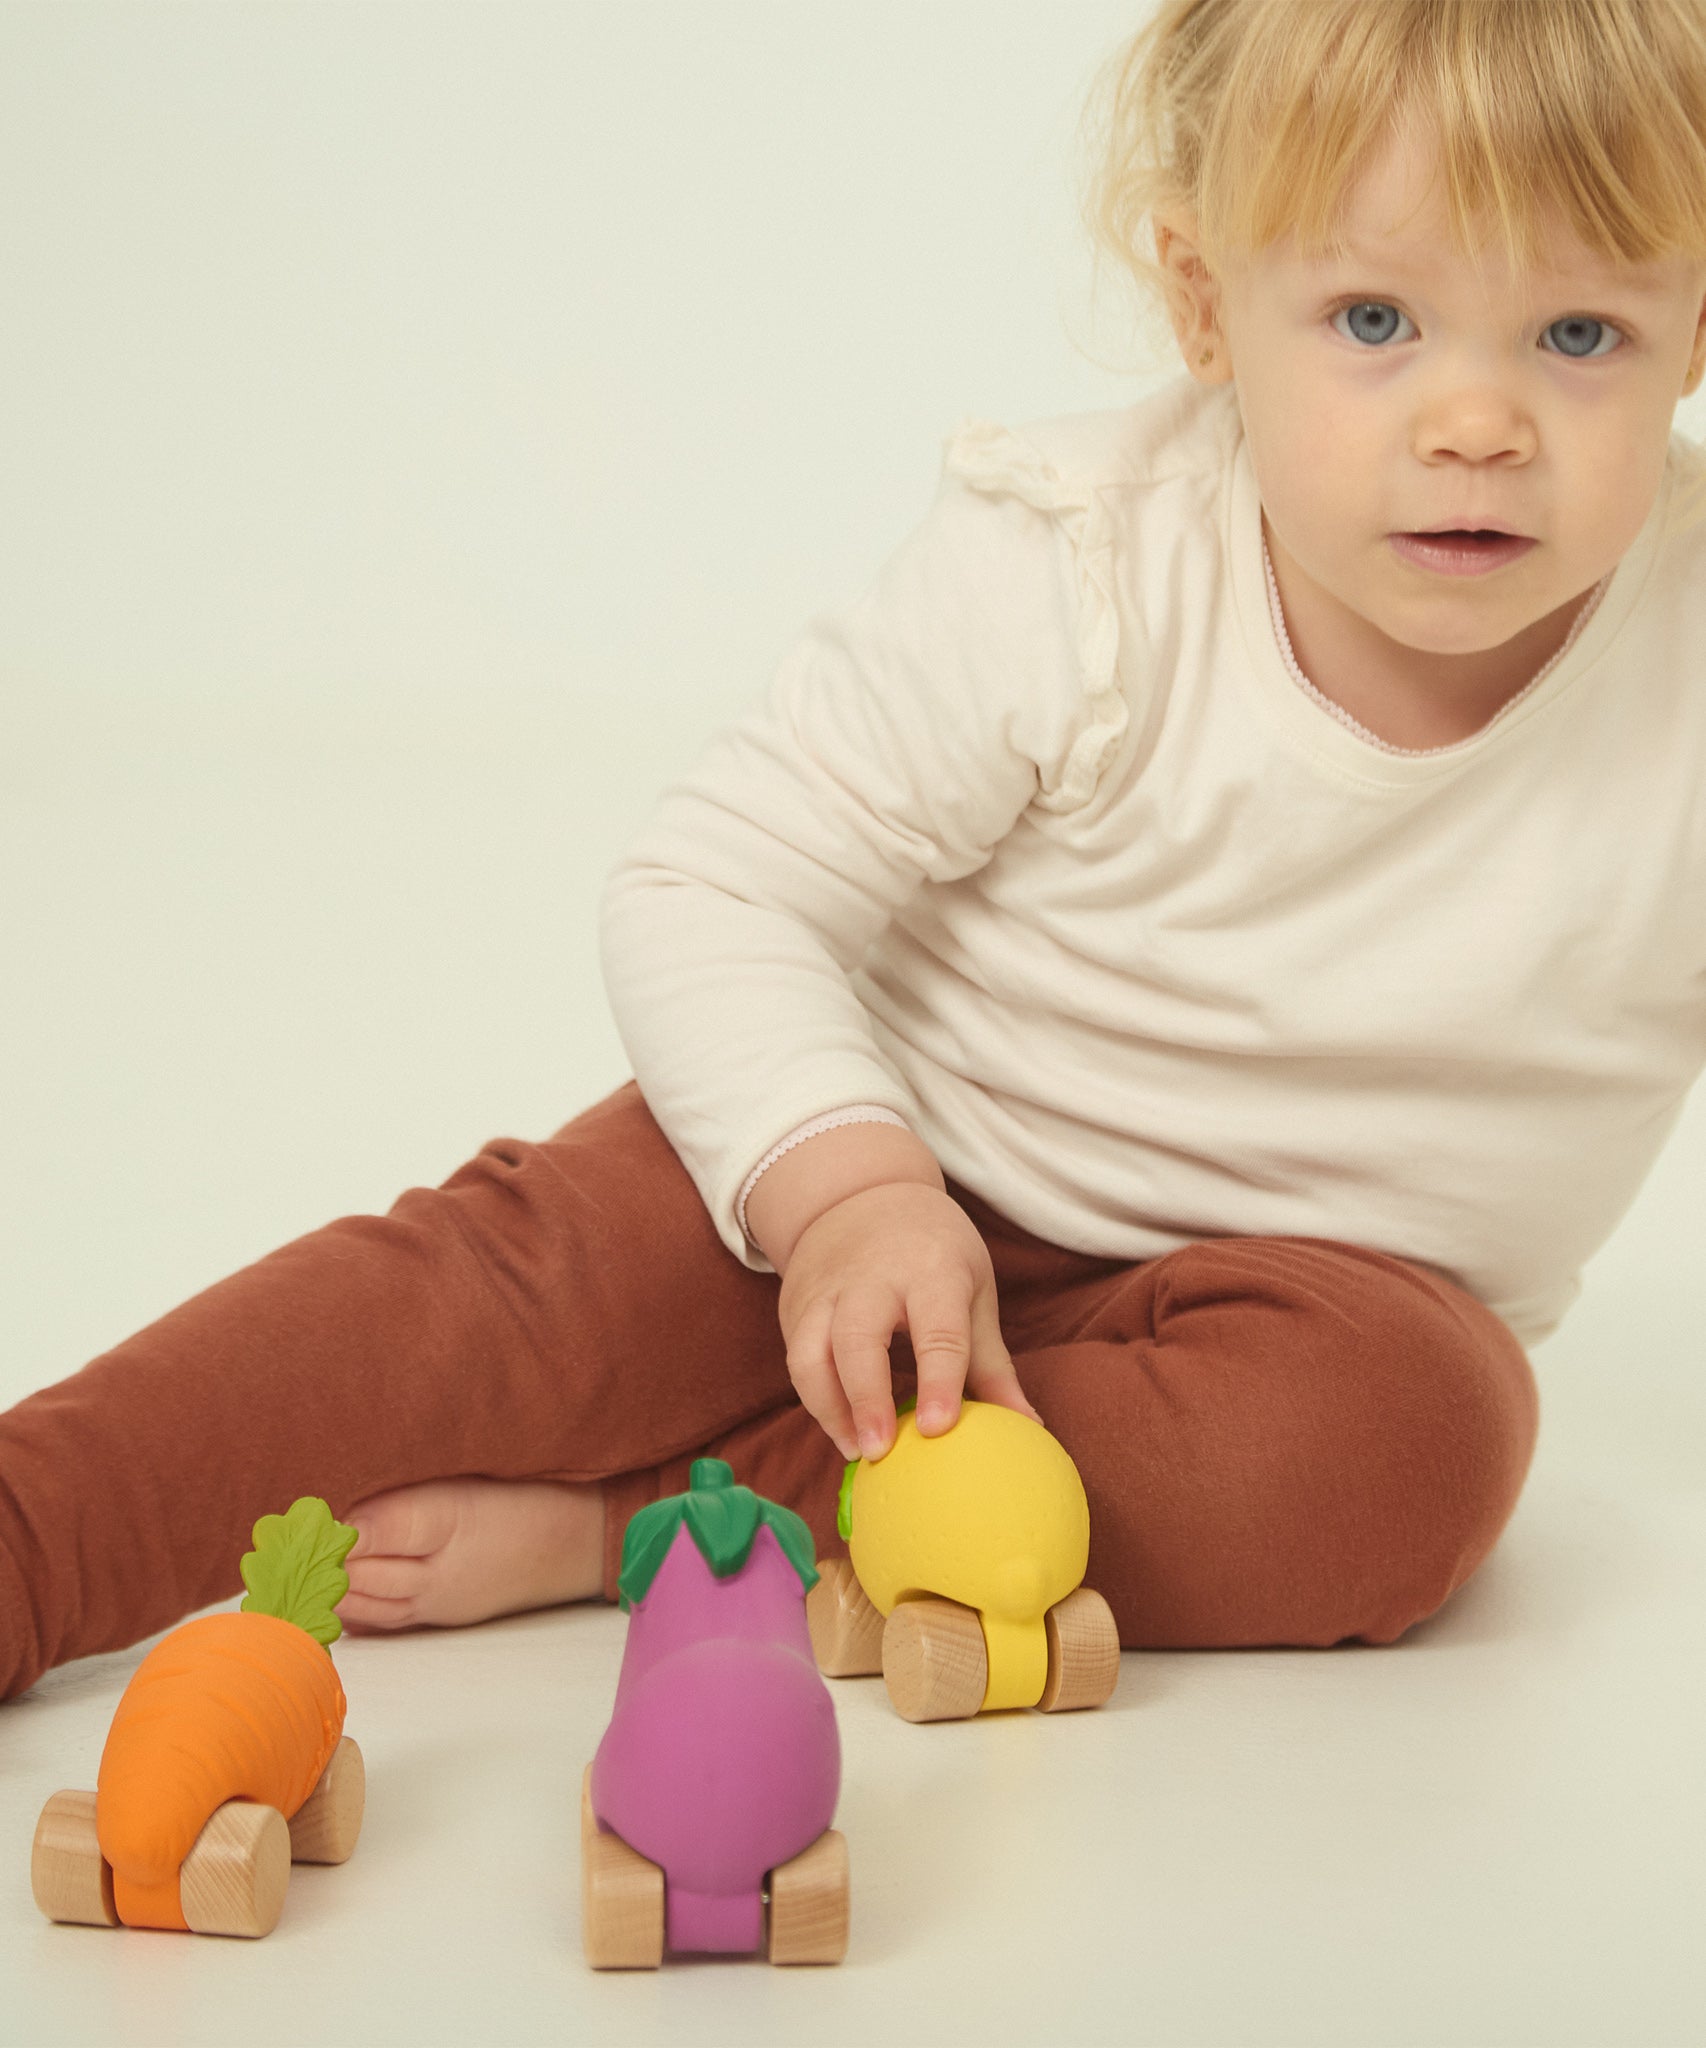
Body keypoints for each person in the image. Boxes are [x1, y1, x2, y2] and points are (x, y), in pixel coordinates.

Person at [6, 0, 1706, 1705]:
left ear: (1693, 325)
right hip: (889, 1161)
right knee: (499, 1298)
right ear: (1205, 306)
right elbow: (716, 882)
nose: (1476, 422)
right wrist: (853, 1193)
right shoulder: (1082, 570)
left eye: (1577, 332)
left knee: (1400, 1459)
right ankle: (32, 1536)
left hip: (1312, 1314)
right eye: (1374, 320)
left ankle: (653, 1527)